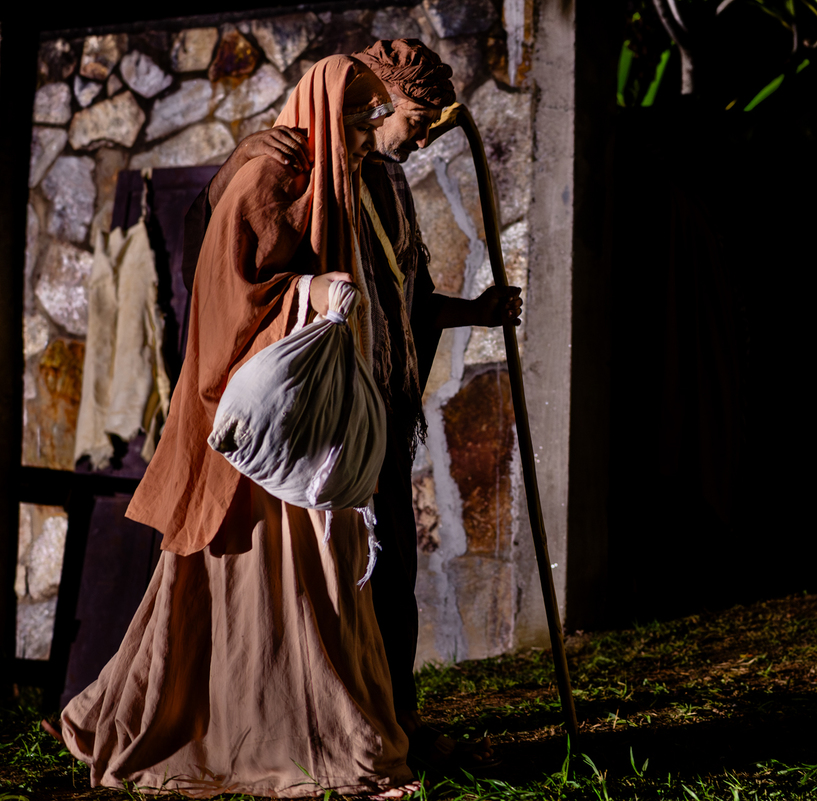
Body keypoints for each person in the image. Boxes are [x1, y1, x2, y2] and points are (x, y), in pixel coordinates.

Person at [57, 55, 425, 798]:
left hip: (312, 429)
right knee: (268, 587)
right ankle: (289, 739)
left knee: (330, 582)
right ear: (328, 115)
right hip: (264, 443)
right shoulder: (272, 172)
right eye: (361, 124)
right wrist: (307, 292)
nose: (369, 139)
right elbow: (225, 291)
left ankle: (336, 729)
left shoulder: (340, 182)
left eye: (374, 123)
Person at [180, 39, 514, 768]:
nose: (415, 137)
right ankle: (332, 726)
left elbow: (406, 300)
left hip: (383, 409)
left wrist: (476, 312)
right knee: (334, 577)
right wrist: (239, 161)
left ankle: (396, 719)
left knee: (392, 570)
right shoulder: (297, 172)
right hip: (319, 415)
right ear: (372, 105)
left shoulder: (388, 184)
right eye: (409, 119)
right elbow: (219, 255)